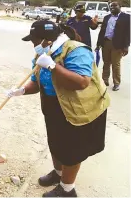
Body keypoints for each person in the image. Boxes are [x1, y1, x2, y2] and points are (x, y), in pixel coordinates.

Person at [7, 20, 110, 197]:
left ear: (47, 39)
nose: (34, 45)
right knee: (55, 143)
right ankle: (59, 173)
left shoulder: (76, 50)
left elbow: (82, 82)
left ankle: (67, 189)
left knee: (71, 150)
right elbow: (38, 81)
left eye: (35, 41)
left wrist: (54, 66)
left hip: (78, 108)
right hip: (53, 105)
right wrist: (21, 90)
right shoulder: (44, 54)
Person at [96, 1, 130, 91]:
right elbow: (102, 31)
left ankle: (116, 83)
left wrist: (126, 46)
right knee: (106, 63)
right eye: (111, 6)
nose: (112, 8)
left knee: (116, 64)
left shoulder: (126, 17)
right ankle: (104, 80)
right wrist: (98, 44)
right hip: (106, 43)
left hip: (117, 45)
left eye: (115, 6)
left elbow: (128, 33)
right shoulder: (107, 17)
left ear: (120, 6)